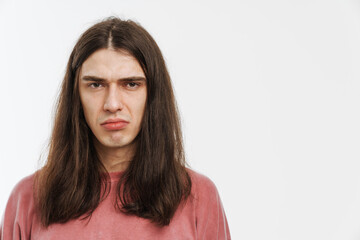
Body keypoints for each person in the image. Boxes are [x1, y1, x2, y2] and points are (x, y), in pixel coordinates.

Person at [0, 17, 231, 240]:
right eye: (96, 85)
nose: (112, 104)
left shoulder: (198, 196)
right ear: (76, 96)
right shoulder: (28, 198)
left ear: (153, 94)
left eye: (131, 84)